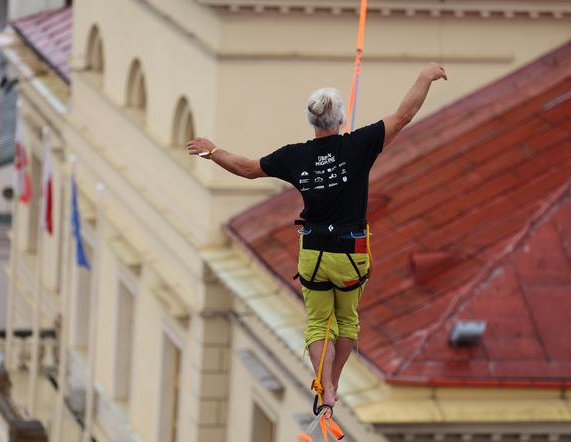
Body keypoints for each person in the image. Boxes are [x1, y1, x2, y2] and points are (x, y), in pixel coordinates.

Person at [186, 62, 447, 410]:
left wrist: (212, 150)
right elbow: (403, 115)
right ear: (340, 119)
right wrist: (425, 76)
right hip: (350, 253)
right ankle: (333, 385)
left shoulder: (295, 156)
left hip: (313, 252)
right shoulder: (359, 145)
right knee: (347, 321)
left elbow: (247, 169)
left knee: (318, 323)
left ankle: (322, 385)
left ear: (312, 121)